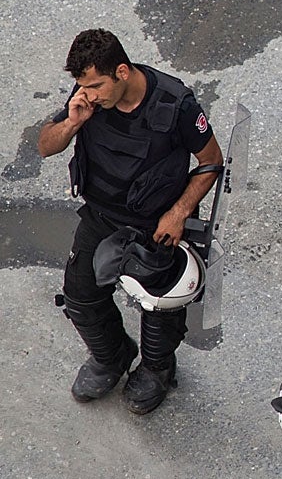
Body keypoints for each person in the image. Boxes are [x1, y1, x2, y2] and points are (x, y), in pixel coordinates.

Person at [37, 28, 222, 413]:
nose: (89, 94)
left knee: (161, 305)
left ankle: (157, 369)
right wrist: (72, 123)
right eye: (81, 86)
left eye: (96, 85)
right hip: (102, 214)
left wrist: (179, 212)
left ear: (122, 71)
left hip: (157, 222)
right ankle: (111, 356)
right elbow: (45, 147)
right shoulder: (86, 99)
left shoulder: (176, 104)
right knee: (80, 296)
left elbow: (211, 162)